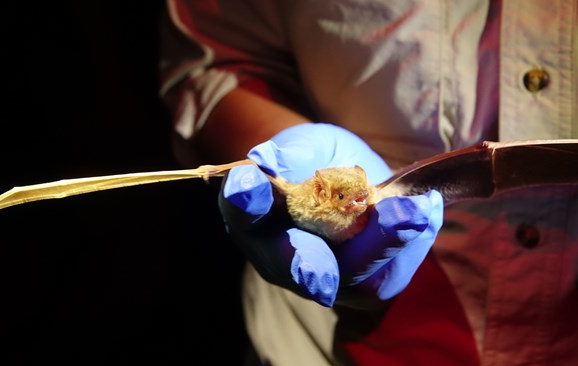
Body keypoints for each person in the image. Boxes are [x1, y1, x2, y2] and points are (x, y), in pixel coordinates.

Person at [158, 1, 577, 365]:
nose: (357, 201)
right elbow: (218, 55)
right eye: (346, 196)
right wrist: (271, 160)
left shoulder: (365, 197)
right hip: (316, 347)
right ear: (325, 191)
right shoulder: (316, 191)